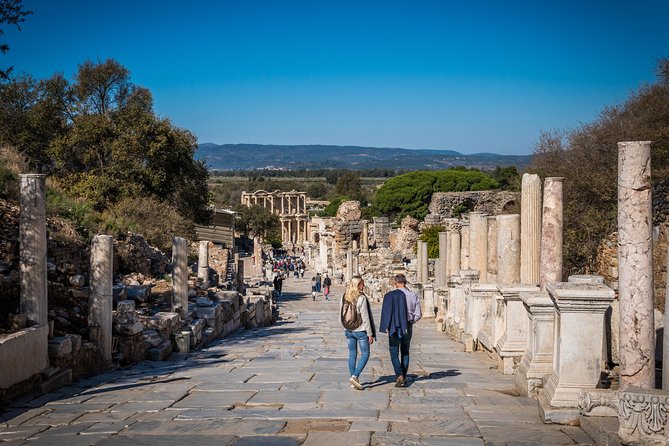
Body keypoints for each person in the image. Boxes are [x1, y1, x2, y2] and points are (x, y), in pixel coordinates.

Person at [340, 276, 376, 390]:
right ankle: (355, 376)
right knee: (365, 354)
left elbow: (341, 313)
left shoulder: (344, 296)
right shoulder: (361, 298)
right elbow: (365, 317)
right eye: (362, 284)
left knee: (352, 355)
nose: (364, 286)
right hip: (360, 330)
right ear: (357, 285)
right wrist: (370, 333)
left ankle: (352, 380)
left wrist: (345, 327)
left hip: (348, 330)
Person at [379, 274, 414, 387]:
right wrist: (410, 322)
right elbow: (418, 314)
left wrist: (384, 326)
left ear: (395, 283)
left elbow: (386, 312)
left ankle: (399, 375)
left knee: (394, 352)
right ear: (405, 282)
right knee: (405, 351)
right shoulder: (412, 295)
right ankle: (403, 375)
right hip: (408, 325)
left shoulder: (390, 295)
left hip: (394, 326)